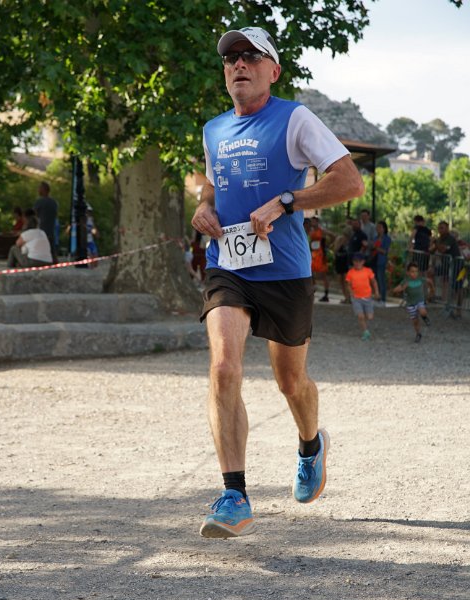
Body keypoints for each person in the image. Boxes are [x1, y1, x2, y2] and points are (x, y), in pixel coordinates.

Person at [191, 26, 364, 539]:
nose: (239, 64)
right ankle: (234, 495)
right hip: (228, 264)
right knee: (224, 367)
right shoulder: (214, 129)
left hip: (285, 270)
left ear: (273, 70)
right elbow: (211, 184)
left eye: (251, 56)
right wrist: (203, 206)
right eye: (231, 58)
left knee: (291, 382)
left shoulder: (295, 119)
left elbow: (349, 181)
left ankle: (310, 443)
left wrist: (288, 201)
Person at [393, 262, 433, 343]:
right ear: (408, 272)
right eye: (412, 271)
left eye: (416, 271)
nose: (415, 273)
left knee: (422, 310)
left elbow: (429, 281)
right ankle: (418, 334)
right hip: (411, 304)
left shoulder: (420, 279)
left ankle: (425, 317)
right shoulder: (406, 281)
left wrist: (432, 289)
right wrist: (403, 288)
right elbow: (395, 290)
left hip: (420, 301)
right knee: (415, 321)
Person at [345, 253, 379, 340]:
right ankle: (365, 331)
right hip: (356, 298)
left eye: (359, 261)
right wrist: (351, 292)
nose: (357, 263)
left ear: (363, 262)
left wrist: (376, 292)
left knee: (370, 317)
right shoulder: (350, 273)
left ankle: (364, 324)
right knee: (360, 316)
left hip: (367, 297)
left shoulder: (368, 271)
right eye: (355, 261)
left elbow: (374, 282)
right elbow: (348, 284)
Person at [304, 216, 330, 302]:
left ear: (317, 222)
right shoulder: (310, 230)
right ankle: (313, 288)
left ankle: (326, 294)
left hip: (320, 254)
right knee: (310, 272)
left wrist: (327, 245)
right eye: (312, 221)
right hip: (313, 253)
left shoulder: (321, 230)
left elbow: (332, 235)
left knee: (323, 274)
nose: (312, 223)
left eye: (314, 221)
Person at [34, 181, 58, 262]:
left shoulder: (39, 202)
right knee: (51, 249)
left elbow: (34, 215)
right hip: (51, 230)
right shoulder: (54, 202)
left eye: (39, 188)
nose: (38, 190)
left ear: (43, 189)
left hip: (41, 229)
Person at [373, 220, 392, 304]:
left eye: (380, 227)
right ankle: (377, 296)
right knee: (375, 280)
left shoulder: (386, 239)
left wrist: (376, 248)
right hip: (374, 260)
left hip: (381, 261)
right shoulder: (375, 238)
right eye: (377, 227)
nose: (378, 229)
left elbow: (385, 251)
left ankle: (383, 299)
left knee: (381, 280)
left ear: (384, 229)